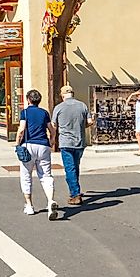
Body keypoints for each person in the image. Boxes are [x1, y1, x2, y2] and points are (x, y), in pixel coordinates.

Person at [15, 89, 57, 220]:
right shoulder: (44, 113)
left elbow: (21, 129)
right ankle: (50, 201)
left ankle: (29, 205)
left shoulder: (25, 112)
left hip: (28, 145)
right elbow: (52, 130)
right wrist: (51, 140)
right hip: (43, 145)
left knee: (26, 175)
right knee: (46, 175)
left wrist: (17, 144)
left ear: (28, 100)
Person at [52, 85, 90, 206]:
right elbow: (89, 122)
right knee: (75, 167)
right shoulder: (82, 105)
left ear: (63, 95)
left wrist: (52, 138)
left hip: (65, 142)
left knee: (70, 168)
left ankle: (75, 194)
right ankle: (75, 189)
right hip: (79, 142)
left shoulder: (58, 108)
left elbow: (54, 125)